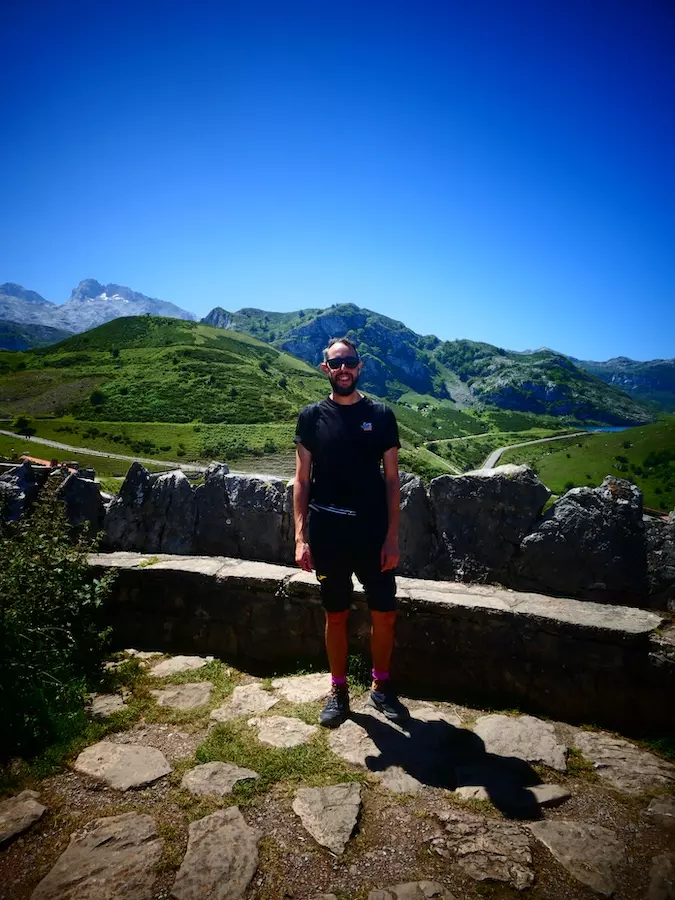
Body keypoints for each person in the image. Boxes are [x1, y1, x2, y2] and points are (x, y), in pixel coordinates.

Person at [293, 336, 408, 727]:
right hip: (328, 532)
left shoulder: (381, 415)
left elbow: (393, 481)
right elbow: (301, 481)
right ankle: (338, 691)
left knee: (385, 614)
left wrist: (392, 536)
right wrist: (300, 536)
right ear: (325, 368)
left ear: (360, 367)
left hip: (373, 532)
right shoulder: (310, 417)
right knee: (336, 614)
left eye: (350, 362)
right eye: (335, 363)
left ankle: (380, 687)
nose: (343, 369)